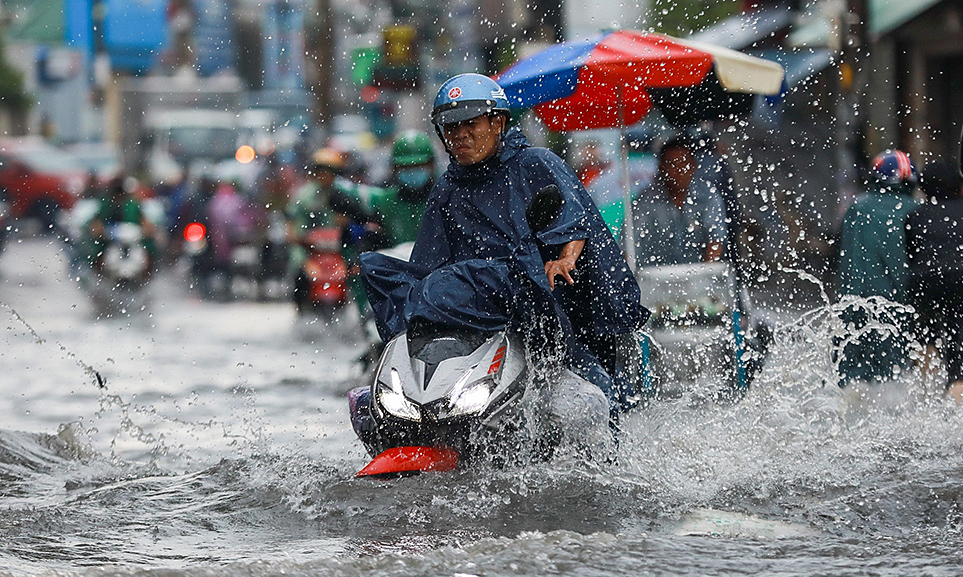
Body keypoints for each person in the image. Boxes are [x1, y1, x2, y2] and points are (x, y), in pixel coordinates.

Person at [360, 73, 649, 420]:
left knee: (594, 404)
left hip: (540, 310)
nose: (461, 136)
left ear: (497, 122)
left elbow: (574, 218)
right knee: (377, 271)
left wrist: (563, 260)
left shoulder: (536, 163)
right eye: (451, 128)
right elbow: (428, 264)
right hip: (475, 315)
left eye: (471, 125)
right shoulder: (447, 189)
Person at [835, 149, 920, 384]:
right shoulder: (915, 210)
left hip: (852, 301)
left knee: (849, 376)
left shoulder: (857, 208)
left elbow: (840, 256)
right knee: (894, 378)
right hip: (896, 304)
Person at [286, 147, 374, 313]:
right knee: (300, 272)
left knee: (358, 270)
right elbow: (292, 224)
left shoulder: (345, 193)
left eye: (329, 171)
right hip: (311, 250)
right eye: (321, 171)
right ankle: (301, 306)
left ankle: (360, 309)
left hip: (341, 248)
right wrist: (299, 238)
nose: (324, 175)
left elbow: (359, 219)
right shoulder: (304, 196)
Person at [905, 159, 963, 401]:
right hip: (960, 282)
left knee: (925, 333)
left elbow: (912, 256)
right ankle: (956, 389)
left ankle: (927, 394)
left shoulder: (915, 216)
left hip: (924, 284)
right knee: (958, 340)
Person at [628, 135, 727, 267]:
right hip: (654, 277)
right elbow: (629, 242)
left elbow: (716, 239)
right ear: (661, 168)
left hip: (699, 276)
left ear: (693, 166)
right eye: (672, 165)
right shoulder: (646, 200)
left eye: (683, 164)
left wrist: (706, 273)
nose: (678, 171)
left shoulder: (708, 195)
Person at [366, 130, 436, 245]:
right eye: (406, 167)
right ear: (395, 168)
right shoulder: (385, 202)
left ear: (431, 165)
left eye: (418, 165)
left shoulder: (444, 200)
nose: (412, 172)